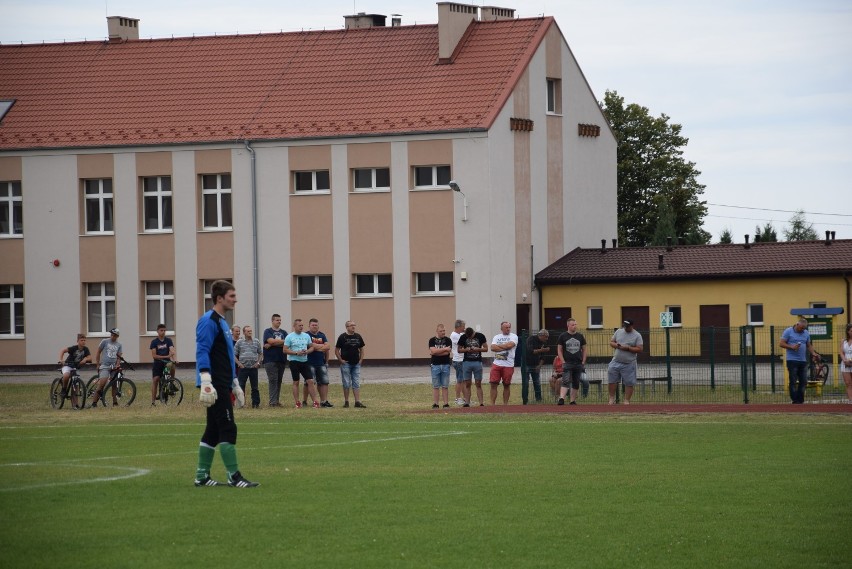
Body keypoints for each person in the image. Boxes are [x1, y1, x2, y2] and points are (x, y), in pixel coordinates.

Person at [194, 279, 257, 488]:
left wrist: (235, 382)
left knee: (213, 429)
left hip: (223, 382)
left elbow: (226, 356)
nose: (235, 300)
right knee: (228, 427)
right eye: (232, 296)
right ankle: (233, 476)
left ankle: (201, 476)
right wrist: (205, 379)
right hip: (215, 383)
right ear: (219, 298)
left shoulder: (222, 321)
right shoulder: (208, 320)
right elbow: (202, 349)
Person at [284, 318, 319, 408]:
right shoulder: (289, 336)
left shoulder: (306, 336)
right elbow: (285, 350)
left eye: (302, 325)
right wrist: (296, 353)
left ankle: (315, 402)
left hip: (304, 361)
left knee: (310, 381)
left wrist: (307, 351)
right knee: (296, 382)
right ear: (294, 326)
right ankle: (297, 402)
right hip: (294, 361)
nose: (301, 327)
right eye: (299, 325)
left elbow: (312, 347)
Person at [780, 317, 816, 404]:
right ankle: (795, 399)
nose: (802, 330)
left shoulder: (806, 333)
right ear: (797, 324)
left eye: (804, 328)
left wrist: (813, 353)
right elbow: (781, 343)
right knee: (793, 380)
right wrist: (792, 347)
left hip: (803, 361)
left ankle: (800, 399)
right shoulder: (788, 331)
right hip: (792, 360)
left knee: (803, 381)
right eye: (801, 328)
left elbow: (808, 345)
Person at [607, 319, 643, 405]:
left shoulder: (637, 335)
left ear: (632, 326)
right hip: (616, 361)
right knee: (612, 380)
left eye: (627, 327)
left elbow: (640, 349)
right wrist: (617, 346)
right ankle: (611, 399)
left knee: (629, 382)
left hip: (629, 363)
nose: (625, 328)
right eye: (624, 326)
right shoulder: (619, 331)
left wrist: (628, 348)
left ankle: (626, 400)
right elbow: (612, 342)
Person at [335, 320, 366, 408]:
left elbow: (362, 349)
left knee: (356, 382)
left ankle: (357, 402)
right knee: (346, 382)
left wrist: (360, 360)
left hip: (356, 364)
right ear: (347, 327)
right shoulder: (342, 337)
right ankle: (346, 402)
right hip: (346, 364)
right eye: (351, 325)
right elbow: (337, 350)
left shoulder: (358, 336)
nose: (353, 327)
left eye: (354, 325)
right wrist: (340, 360)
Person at [90, 328, 123, 407]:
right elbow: (98, 352)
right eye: (112, 334)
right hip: (105, 365)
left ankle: (115, 402)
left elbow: (119, 357)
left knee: (114, 384)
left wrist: (117, 365)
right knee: (102, 383)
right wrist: (97, 364)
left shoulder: (119, 345)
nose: (113, 336)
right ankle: (94, 402)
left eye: (114, 335)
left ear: (117, 336)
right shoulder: (104, 341)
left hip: (113, 366)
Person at [557, 318, 587, 405]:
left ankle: (572, 400)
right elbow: (559, 349)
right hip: (567, 362)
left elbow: (584, 349)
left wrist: (583, 361)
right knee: (565, 380)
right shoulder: (563, 336)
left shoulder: (580, 336)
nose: (575, 326)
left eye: (575, 324)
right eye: (573, 325)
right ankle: (561, 398)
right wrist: (563, 361)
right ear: (568, 326)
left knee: (576, 381)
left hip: (578, 362)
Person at [307, 318, 334, 407]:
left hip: (321, 363)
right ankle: (307, 401)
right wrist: (322, 346)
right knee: (310, 383)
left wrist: (315, 347)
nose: (315, 326)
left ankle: (324, 401)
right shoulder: (306, 335)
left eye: (316, 325)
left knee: (324, 382)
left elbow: (328, 347)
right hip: (309, 363)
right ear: (309, 326)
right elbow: (309, 345)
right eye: (313, 325)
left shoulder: (322, 335)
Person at [489, 321, 518, 405]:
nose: (508, 329)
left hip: (508, 365)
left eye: (509, 327)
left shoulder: (514, 336)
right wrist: (505, 347)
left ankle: (505, 404)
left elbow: (510, 346)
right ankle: (492, 404)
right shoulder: (496, 337)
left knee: (506, 384)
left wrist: (500, 346)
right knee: (493, 384)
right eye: (506, 327)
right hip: (497, 364)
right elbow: (492, 348)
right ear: (501, 328)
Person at [234, 325, 262, 409]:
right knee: (241, 386)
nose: (250, 332)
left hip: (253, 368)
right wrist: (239, 363)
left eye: (251, 331)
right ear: (244, 332)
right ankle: (241, 404)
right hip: (243, 368)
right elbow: (233, 354)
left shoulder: (256, 341)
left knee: (255, 387)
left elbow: (261, 353)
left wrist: (258, 362)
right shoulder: (239, 342)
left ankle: (255, 404)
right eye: (248, 331)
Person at [262, 313, 287, 407]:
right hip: (270, 360)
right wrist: (273, 342)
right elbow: (270, 341)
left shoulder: (284, 332)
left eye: (280, 320)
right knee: (273, 380)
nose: (279, 322)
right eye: (277, 320)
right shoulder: (267, 331)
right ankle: (272, 402)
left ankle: (276, 400)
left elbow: (288, 343)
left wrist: (272, 344)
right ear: (272, 321)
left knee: (279, 380)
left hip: (281, 359)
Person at [459, 326, 488, 406]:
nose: (470, 338)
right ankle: (467, 402)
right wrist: (466, 350)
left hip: (477, 362)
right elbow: (459, 350)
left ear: (473, 333)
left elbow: (486, 348)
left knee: (478, 383)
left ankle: (481, 403)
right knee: (467, 383)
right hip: (466, 362)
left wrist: (477, 349)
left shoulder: (480, 336)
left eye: (471, 337)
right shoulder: (463, 337)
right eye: (469, 337)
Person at [150, 323, 177, 406]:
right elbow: (154, 355)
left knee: (172, 365)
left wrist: (174, 359)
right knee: (156, 380)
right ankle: (153, 402)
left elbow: (172, 350)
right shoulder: (154, 342)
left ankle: (171, 382)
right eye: (161, 330)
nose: (163, 332)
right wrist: (166, 356)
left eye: (164, 330)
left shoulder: (168, 340)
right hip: (158, 363)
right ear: (157, 331)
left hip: (167, 362)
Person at [522, 329, 550, 404]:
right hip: (526, 364)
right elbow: (530, 351)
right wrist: (542, 350)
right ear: (540, 335)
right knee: (526, 383)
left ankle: (539, 399)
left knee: (537, 382)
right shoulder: (531, 339)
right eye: (546, 337)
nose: (547, 339)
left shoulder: (544, 342)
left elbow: (543, 357)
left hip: (536, 364)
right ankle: (525, 400)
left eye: (547, 337)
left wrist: (539, 366)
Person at [429, 324, 453, 408]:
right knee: (436, 386)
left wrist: (436, 352)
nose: (443, 332)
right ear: (437, 331)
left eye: (444, 331)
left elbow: (447, 352)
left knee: (445, 386)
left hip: (445, 365)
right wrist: (444, 349)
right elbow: (433, 351)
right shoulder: (432, 340)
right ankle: (436, 404)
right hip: (435, 365)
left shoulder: (448, 340)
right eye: (441, 331)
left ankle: (446, 403)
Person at [450, 319, 466, 405]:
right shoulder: (454, 335)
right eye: (463, 327)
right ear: (459, 327)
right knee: (460, 380)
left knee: (463, 380)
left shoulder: (460, 334)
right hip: (458, 360)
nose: (464, 328)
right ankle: (457, 398)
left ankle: (465, 398)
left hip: (461, 359)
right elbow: (465, 343)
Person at [840, 324, 852, 403]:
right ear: (848, 331)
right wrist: (844, 360)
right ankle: (850, 400)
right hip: (845, 364)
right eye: (851, 331)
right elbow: (841, 352)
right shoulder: (843, 341)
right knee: (848, 383)